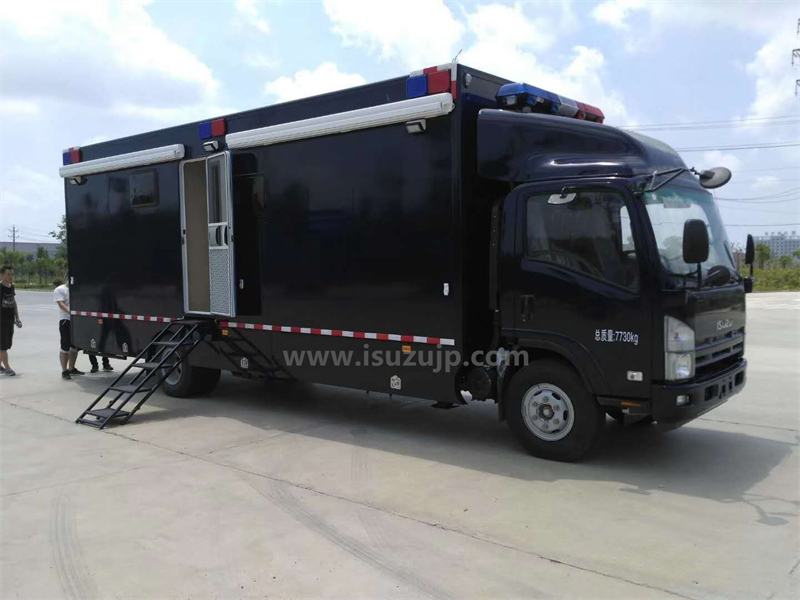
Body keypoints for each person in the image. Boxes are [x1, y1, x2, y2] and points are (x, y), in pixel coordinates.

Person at [53, 279, 83, 379]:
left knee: (75, 346)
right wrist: (71, 312)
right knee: (65, 346)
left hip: (77, 321)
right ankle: (64, 370)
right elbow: (61, 304)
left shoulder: (78, 289)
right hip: (66, 320)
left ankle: (71, 368)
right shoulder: (60, 289)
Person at [0, 266, 22, 376]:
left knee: (7, 344)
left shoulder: (11, 287)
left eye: (11, 274)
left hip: (9, 320)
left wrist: (17, 318)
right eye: (8, 274)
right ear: (1, 274)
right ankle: (8, 368)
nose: (10, 276)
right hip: (1, 321)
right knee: (3, 345)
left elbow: (13, 303)